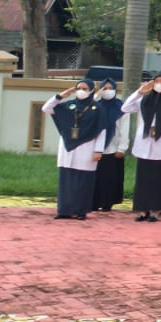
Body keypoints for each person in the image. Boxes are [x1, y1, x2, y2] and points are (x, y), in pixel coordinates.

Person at [122, 73, 161, 222]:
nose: (159, 84)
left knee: (159, 180)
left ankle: (156, 210)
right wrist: (140, 92)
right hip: (144, 145)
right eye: (157, 81)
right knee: (143, 180)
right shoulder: (144, 99)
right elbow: (125, 107)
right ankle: (142, 210)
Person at [42, 80, 104, 220]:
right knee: (66, 180)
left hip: (87, 147)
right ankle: (64, 210)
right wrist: (61, 96)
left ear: (91, 90)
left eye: (84, 88)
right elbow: (46, 108)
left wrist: (98, 150)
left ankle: (81, 211)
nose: (81, 90)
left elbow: (101, 130)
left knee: (83, 181)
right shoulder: (69, 106)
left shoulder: (97, 109)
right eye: (78, 88)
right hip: (67, 147)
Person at [90, 79, 127, 213]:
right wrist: (96, 95)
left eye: (110, 88)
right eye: (104, 88)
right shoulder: (96, 106)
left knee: (110, 178)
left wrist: (122, 148)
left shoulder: (121, 107)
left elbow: (124, 128)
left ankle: (107, 203)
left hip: (113, 148)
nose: (108, 91)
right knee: (96, 177)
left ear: (116, 90)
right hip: (96, 149)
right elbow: (85, 108)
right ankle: (94, 202)